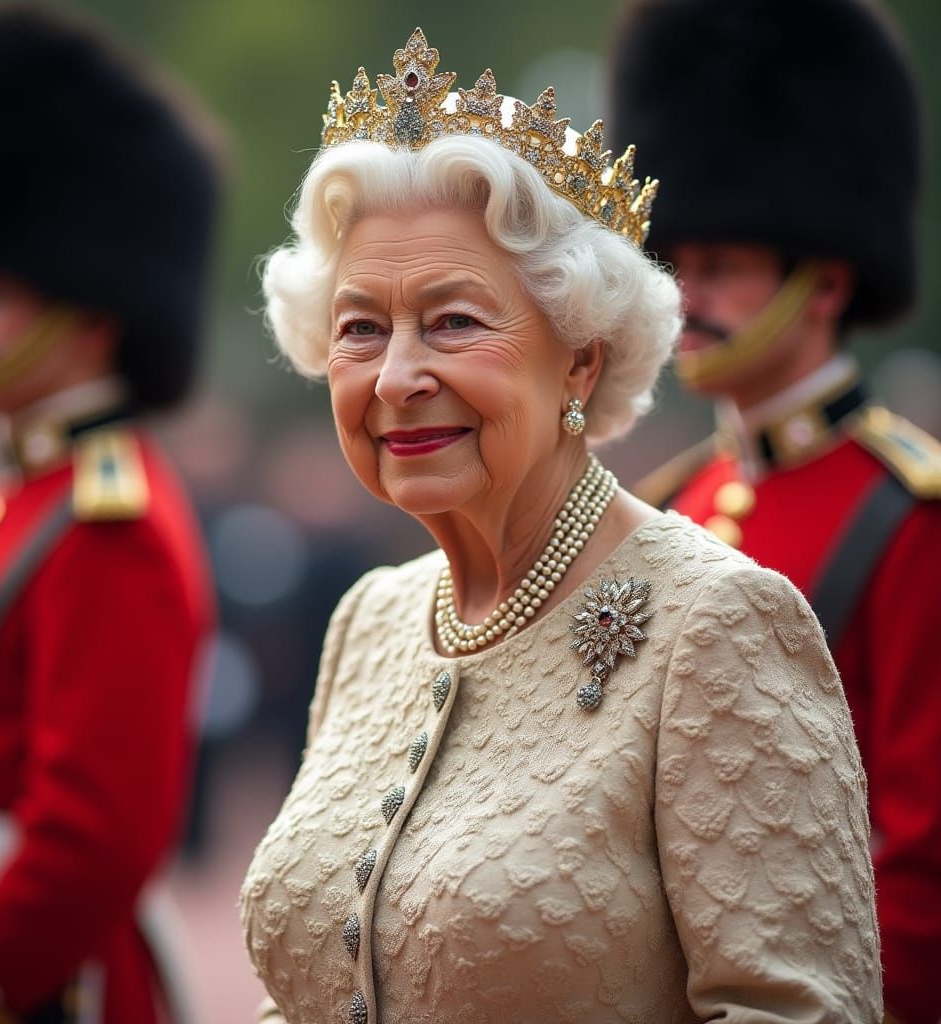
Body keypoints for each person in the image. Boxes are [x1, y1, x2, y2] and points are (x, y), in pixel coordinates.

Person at [240, 29, 882, 1023]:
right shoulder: (368, 619)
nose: (397, 376)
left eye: (453, 320)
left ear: (579, 360)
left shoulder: (718, 623)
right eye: (360, 326)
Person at [608, 3, 941, 1020]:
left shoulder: (907, 514)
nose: (686, 296)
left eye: (724, 269)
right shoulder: (663, 506)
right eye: (677, 265)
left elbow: (921, 858)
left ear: (825, 277)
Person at [0, 3, 222, 1021]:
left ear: (93, 312)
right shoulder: (34, 492)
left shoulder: (109, 521)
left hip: (36, 987)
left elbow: (96, 836)